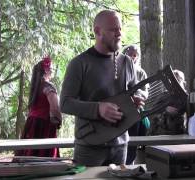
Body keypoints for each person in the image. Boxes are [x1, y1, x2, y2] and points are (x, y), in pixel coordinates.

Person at [60, 10, 144, 166]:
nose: (119, 33)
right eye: (113, 29)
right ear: (98, 31)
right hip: (89, 146)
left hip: (121, 145)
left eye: (120, 29)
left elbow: (134, 90)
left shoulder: (127, 62)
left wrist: (135, 99)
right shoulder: (79, 63)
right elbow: (65, 103)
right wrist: (98, 109)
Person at [15, 56, 62, 157]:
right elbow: (54, 108)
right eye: (51, 68)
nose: (53, 70)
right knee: (43, 155)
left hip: (31, 124)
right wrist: (58, 119)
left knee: (29, 153)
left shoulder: (36, 88)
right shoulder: (48, 87)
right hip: (43, 125)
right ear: (46, 70)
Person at [122, 45, 149, 165]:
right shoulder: (117, 69)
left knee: (132, 141)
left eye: (135, 55)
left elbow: (145, 93)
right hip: (119, 111)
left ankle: (130, 163)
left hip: (135, 111)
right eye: (130, 54)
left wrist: (136, 94)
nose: (132, 58)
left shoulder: (140, 72)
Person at [147, 69, 187, 135]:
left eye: (178, 80)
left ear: (184, 83)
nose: (175, 83)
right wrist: (165, 109)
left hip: (179, 132)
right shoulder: (163, 95)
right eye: (172, 80)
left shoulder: (187, 97)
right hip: (160, 132)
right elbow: (152, 111)